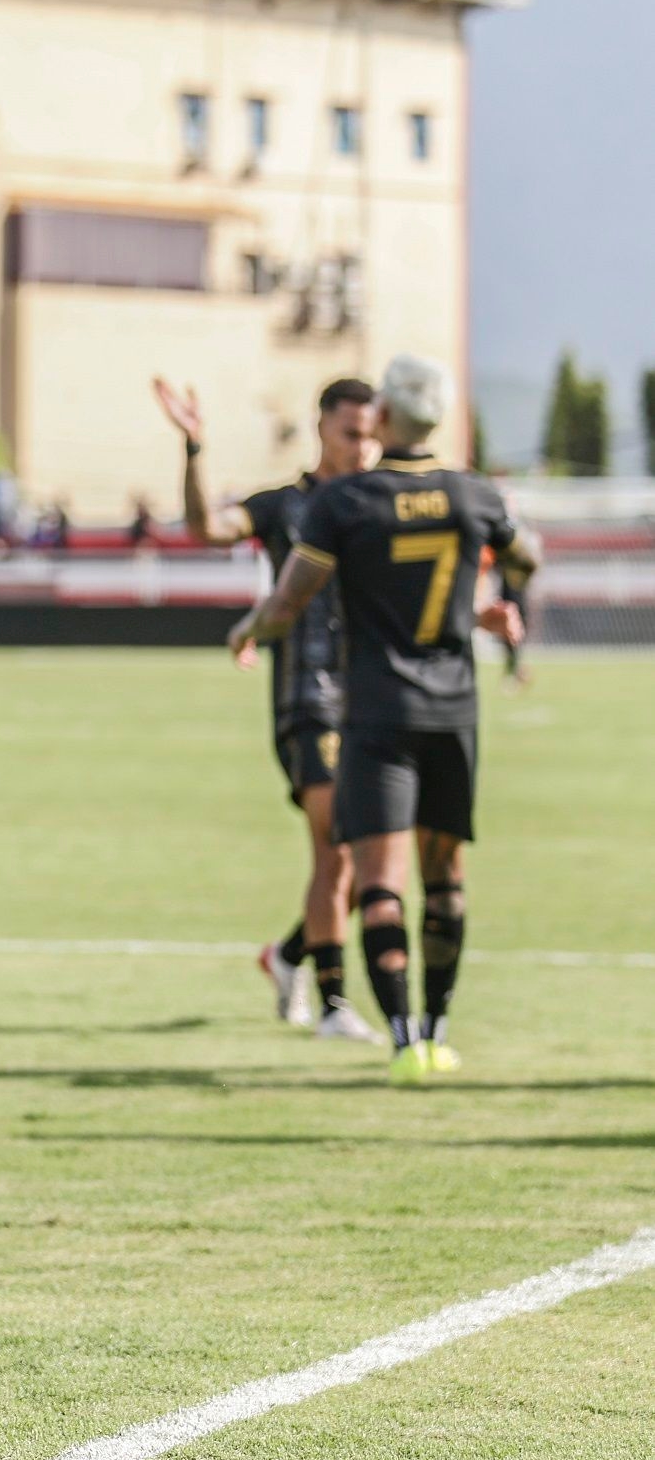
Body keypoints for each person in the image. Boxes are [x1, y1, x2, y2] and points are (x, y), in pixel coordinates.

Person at [224, 356, 540, 1086]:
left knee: (379, 880)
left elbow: (287, 604)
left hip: (376, 710)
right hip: (453, 708)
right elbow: (529, 557)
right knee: (447, 875)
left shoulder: (346, 503)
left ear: (386, 418)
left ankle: (402, 1040)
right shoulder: (473, 495)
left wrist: (249, 631)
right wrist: (494, 601)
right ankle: (440, 1026)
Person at [155, 375, 384, 1041]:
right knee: (338, 845)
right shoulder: (286, 505)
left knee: (366, 851)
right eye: (352, 434)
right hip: (306, 697)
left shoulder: (379, 504)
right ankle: (337, 1007)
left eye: (372, 434)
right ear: (322, 429)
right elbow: (205, 526)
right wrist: (195, 447)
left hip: (375, 698)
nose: (364, 447)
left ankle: (288, 956)